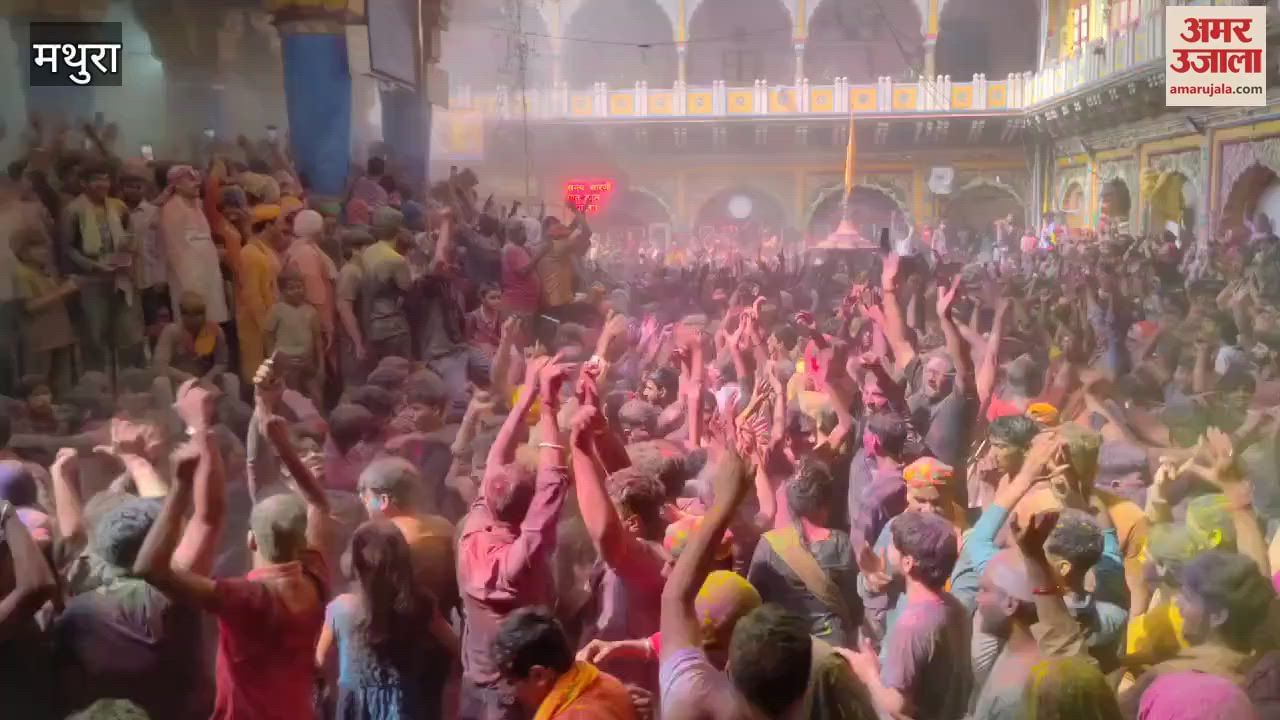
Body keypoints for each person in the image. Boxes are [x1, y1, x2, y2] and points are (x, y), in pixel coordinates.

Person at [133, 365, 332, 720]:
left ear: (251, 541)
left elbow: (150, 568)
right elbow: (318, 503)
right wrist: (276, 433)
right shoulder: (316, 577)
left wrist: (180, 486)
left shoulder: (246, 598)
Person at [457, 355, 573, 720]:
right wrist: (549, 407)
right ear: (528, 509)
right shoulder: (517, 562)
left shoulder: (473, 530)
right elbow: (551, 489)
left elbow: (496, 460)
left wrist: (527, 397)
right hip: (511, 696)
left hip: (473, 683)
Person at [316, 520, 457, 720]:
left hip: (356, 707)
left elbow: (319, 663)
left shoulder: (340, 609)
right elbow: (456, 645)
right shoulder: (418, 604)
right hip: (404, 704)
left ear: (353, 562)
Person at [840, 510, 971, 720]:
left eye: (893, 544)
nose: (887, 547)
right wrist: (880, 579)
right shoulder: (953, 607)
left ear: (908, 562)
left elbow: (898, 706)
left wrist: (869, 674)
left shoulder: (911, 627)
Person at [749, 457, 861, 648]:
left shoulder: (768, 545)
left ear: (790, 503)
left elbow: (752, 601)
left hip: (785, 648)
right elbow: (854, 605)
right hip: (832, 649)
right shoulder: (840, 543)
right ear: (826, 502)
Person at [59, 162, 140, 371]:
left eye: (105, 179)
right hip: (90, 281)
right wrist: (94, 266)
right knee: (95, 335)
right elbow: (67, 249)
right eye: (96, 179)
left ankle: (125, 382)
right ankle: (97, 384)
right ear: (83, 183)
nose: (103, 184)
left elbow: (130, 236)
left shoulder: (118, 206)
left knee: (124, 333)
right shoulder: (73, 210)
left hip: (119, 278)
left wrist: (128, 255)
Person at [493, 607, 637, 720]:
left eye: (512, 683)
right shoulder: (607, 682)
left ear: (538, 675)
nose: (512, 693)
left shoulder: (573, 715)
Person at [158, 165, 229, 329]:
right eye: (189, 180)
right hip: (189, 281)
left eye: (196, 179)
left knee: (212, 327)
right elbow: (174, 251)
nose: (196, 183)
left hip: (208, 276)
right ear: (176, 185)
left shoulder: (197, 205)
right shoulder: (171, 209)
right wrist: (189, 286)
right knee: (192, 328)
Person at [13, 228, 78, 394]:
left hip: (60, 336)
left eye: (45, 247)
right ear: (25, 251)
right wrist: (63, 291)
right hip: (40, 340)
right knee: (39, 388)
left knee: (64, 388)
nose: (44, 252)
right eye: (38, 248)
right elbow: (30, 306)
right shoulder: (22, 274)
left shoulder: (45, 270)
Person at [360, 207, 413, 363]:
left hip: (372, 325)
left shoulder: (368, 252)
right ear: (398, 230)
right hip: (393, 328)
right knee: (400, 373)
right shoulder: (396, 259)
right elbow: (407, 289)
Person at [266, 270, 323, 405]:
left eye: (300, 287)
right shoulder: (277, 310)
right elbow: (268, 335)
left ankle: (318, 422)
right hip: (285, 363)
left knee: (316, 397)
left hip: (307, 361)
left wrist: (321, 365)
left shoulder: (310, 311)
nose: (297, 291)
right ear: (282, 291)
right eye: (291, 288)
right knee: (291, 398)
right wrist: (272, 357)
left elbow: (317, 339)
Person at [153, 291, 230, 388]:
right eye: (190, 315)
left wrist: (208, 378)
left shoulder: (214, 331)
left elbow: (222, 362)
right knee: (160, 382)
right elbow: (159, 365)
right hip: (179, 385)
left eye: (199, 313)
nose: (196, 319)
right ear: (182, 315)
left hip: (207, 383)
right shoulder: (171, 331)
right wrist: (187, 378)